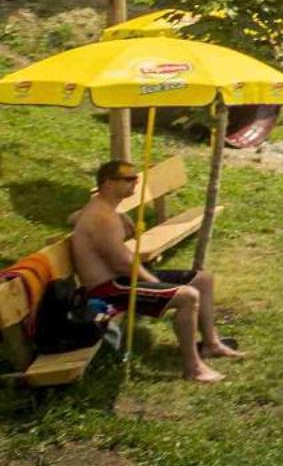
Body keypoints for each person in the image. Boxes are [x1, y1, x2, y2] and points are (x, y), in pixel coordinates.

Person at [71, 160, 241, 383]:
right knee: (188, 296)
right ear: (107, 183)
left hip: (121, 279)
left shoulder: (105, 209)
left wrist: (120, 219)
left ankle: (211, 344)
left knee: (202, 279)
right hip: (108, 291)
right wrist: (159, 285)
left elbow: (74, 219)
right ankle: (194, 368)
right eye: (128, 178)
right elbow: (121, 263)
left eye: (136, 178)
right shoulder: (102, 217)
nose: (134, 182)